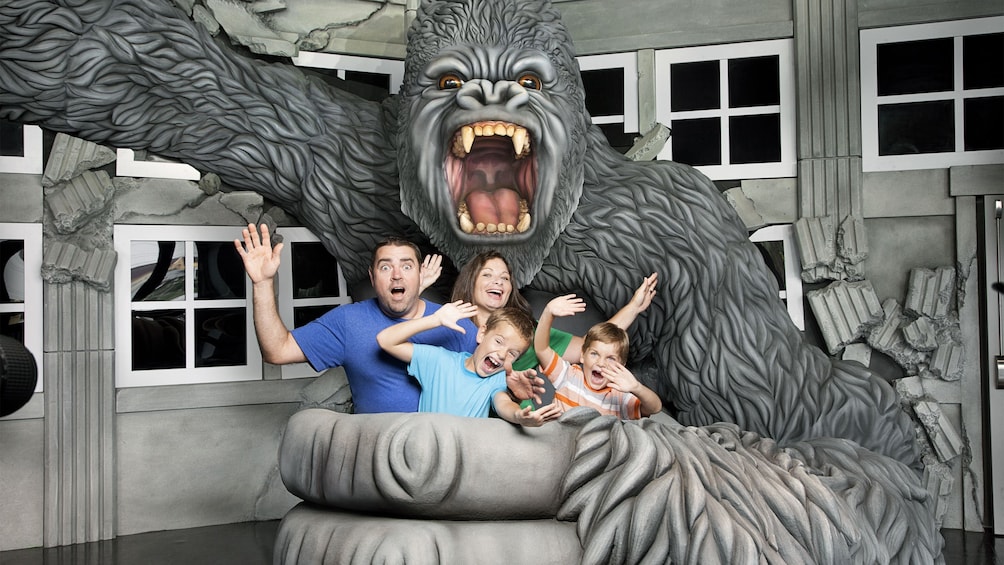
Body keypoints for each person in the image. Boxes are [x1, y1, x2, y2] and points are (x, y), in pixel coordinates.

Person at [234, 223, 487, 413]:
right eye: (385, 267)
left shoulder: (455, 324)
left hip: (441, 457)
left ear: (421, 275)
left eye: (407, 266)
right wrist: (263, 283)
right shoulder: (348, 322)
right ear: (373, 277)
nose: (396, 275)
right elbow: (277, 351)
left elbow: (496, 373)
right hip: (373, 456)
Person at [449, 251, 658, 371]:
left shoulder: (529, 333)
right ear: (471, 282)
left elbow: (588, 347)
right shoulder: (447, 322)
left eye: (505, 278)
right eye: (487, 275)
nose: (498, 281)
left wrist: (633, 308)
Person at [377, 302, 562, 426]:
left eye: (512, 353)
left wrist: (519, 416)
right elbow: (386, 340)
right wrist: (435, 320)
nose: (502, 354)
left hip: (465, 460)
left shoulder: (496, 379)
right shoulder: (440, 361)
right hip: (426, 448)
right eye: (498, 341)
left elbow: (503, 403)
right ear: (482, 334)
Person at [534, 294, 663, 419]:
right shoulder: (568, 376)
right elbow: (542, 349)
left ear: (621, 365)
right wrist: (549, 313)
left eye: (611, 358)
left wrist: (636, 387)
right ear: (582, 355)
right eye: (594, 354)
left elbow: (655, 408)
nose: (601, 363)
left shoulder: (619, 396)